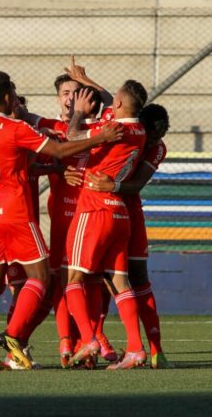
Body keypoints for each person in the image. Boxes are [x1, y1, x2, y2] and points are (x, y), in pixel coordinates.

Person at [0, 70, 123, 371]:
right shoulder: (30, 127)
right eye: (66, 93)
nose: (72, 98)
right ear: (8, 98)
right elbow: (60, 146)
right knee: (45, 279)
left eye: (79, 92)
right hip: (20, 214)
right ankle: (16, 337)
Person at [66, 103, 172, 369]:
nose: (158, 136)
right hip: (123, 212)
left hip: (116, 209)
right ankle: (126, 345)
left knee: (126, 280)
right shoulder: (143, 137)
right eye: (156, 131)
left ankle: (106, 342)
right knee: (116, 280)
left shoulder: (139, 138)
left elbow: (137, 184)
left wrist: (113, 185)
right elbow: (117, 100)